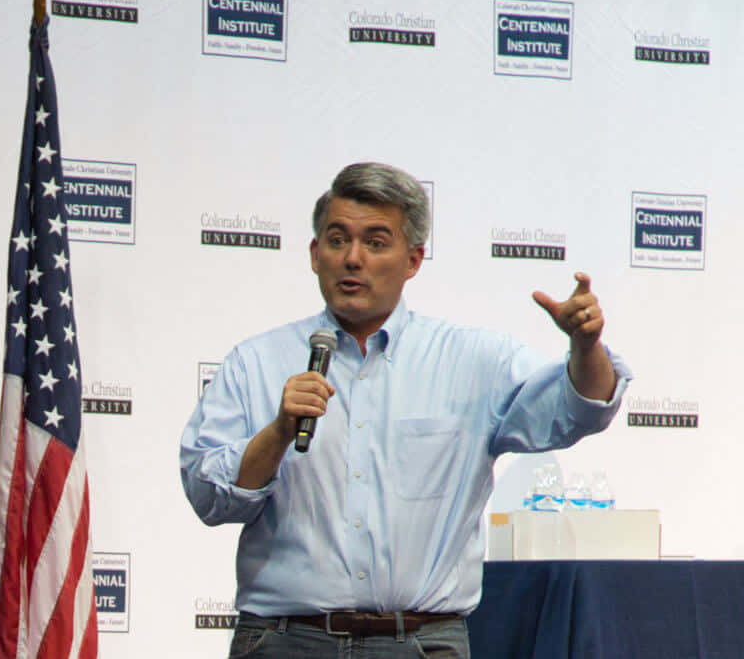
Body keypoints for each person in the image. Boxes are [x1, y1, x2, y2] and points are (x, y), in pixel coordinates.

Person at [180, 162, 630, 658]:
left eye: (375, 242)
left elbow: (580, 411)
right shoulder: (256, 362)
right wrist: (280, 432)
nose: (353, 259)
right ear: (314, 254)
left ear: (413, 259)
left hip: (420, 643)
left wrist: (586, 349)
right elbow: (208, 496)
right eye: (337, 240)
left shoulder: (472, 360)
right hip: (285, 640)